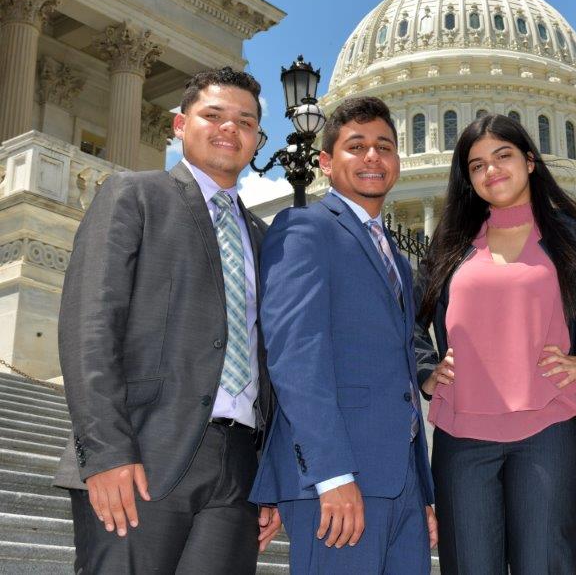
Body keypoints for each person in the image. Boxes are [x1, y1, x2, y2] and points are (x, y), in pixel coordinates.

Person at [53, 68, 281, 573]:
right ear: (180, 124)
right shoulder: (133, 195)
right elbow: (90, 327)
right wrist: (106, 452)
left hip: (238, 468)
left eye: (245, 122)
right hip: (142, 455)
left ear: (257, 140)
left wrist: (270, 476)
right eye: (213, 115)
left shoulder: (265, 239)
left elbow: (271, 363)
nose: (230, 129)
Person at [415, 113, 576, 575]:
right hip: (462, 435)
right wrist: (426, 369)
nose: (492, 170)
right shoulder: (452, 242)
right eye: (477, 165)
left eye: (503, 156)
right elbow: (407, 319)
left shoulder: (573, 235)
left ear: (530, 160)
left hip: (547, 429)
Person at [250, 96, 436, 574]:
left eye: (384, 146)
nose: (373, 156)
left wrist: (423, 489)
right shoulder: (304, 229)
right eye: (357, 146)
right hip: (339, 478)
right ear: (326, 163)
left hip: (401, 485)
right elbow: (296, 357)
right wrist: (331, 474)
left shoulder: (394, 253)